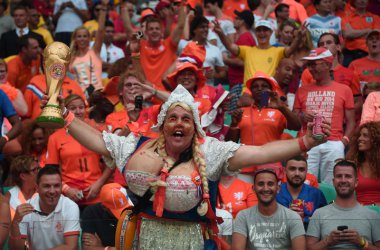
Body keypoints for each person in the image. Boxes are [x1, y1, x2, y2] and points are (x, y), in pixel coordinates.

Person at [40, 81, 330, 248]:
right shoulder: (135, 145)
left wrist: (306, 142)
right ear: (163, 124)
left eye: (186, 119)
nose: (179, 123)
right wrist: (64, 114)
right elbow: (96, 140)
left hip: (193, 242)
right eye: (173, 118)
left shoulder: (212, 152)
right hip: (146, 239)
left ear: (195, 126)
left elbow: (263, 152)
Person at [293, 48, 356, 184]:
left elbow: (351, 121)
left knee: (333, 185)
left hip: (334, 142)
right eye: (309, 65)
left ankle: (330, 206)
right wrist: (303, 116)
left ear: (328, 64)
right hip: (308, 142)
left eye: (314, 64)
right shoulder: (302, 90)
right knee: (304, 184)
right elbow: (294, 119)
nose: (310, 68)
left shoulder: (344, 90)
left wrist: (343, 142)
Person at [227, 71, 301, 182]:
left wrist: (282, 108)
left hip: (270, 167)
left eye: (264, 86)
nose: (260, 89)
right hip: (246, 168)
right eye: (255, 86)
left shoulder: (278, 110)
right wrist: (233, 123)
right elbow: (230, 143)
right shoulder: (241, 112)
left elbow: (297, 126)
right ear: (251, 91)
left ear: (271, 90)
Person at [46, 95, 114, 208]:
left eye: (81, 107)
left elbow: (112, 161)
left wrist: (99, 183)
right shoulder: (55, 138)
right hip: (68, 198)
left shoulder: (97, 133)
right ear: (65, 110)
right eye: (73, 108)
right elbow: (51, 171)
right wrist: (66, 189)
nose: (78, 111)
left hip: (96, 195)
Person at [306, 159, 380, 249]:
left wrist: (361, 242)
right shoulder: (319, 214)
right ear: (333, 182)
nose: (343, 180)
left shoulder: (372, 215)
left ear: (356, 182)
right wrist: (328, 241)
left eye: (348, 176)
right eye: (339, 176)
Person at [214, 18, 305, 89]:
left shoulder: (278, 51)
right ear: (255, 33)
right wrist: (221, 33)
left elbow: (292, 49)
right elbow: (230, 46)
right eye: (259, 30)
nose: (262, 33)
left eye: (265, 30)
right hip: (248, 93)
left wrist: (299, 37)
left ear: (271, 32)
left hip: (267, 91)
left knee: (264, 110)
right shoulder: (247, 51)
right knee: (242, 106)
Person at [9, 165, 81, 250]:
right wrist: (14, 224)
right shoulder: (27, 208)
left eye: (56, 186)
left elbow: (70, 247)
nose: (52, 191)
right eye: (47, 186)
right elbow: (16, 249)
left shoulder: (70, 206)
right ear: (37, 188)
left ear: (61, 187)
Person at [233, 169, 306, 249]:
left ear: (278, 188)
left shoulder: (293, 217)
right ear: (253, 189)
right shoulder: (243, 216)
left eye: (270, 184)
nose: (266, 188)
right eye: (261, 184)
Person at [276, 155, 327, 229]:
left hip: (310, 237)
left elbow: (325, 220)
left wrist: (309, 220)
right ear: (285, 171)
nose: (297, 173)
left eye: (301, 169)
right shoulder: (275, 194)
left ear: (306, 171)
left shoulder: (316, 194)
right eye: (292, 169)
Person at [69, 0, 107, 97]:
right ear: (75, 39)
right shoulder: (71, 57)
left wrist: (103, 7)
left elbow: (101, 30)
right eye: (79, 36)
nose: (82, 39)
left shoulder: (94, 51)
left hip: (97, 95)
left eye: (85, 36)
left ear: (89, 39)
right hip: (80, 97)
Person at [81, 183, 132, 250]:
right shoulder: (91, 212)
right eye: (118, 209)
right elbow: (87, 248)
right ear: (104, 207)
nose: (124, 213)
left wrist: (103, 248)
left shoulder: (135, 208)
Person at [346, 122, 380, 205]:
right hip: (358, 212)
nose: (360, 139)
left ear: (376, 139)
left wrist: (374, 206)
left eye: (365, 135)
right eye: (360, 135)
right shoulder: (353, 164)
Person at [341, 0, 380, 67]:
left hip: (367, 52)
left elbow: (375, 34)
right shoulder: (346, 17)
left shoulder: (376, 18)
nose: (362, 1)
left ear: (368, 2)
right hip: (350, 53)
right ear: (354, 2)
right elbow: (348, 34)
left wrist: (354, 33)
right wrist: (367, 30)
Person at [5, 155, 38, 220]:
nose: (38, 172)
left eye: (38, 169)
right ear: (23, 176)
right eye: (34, 170)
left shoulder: (45, 191)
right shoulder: (10, 197)